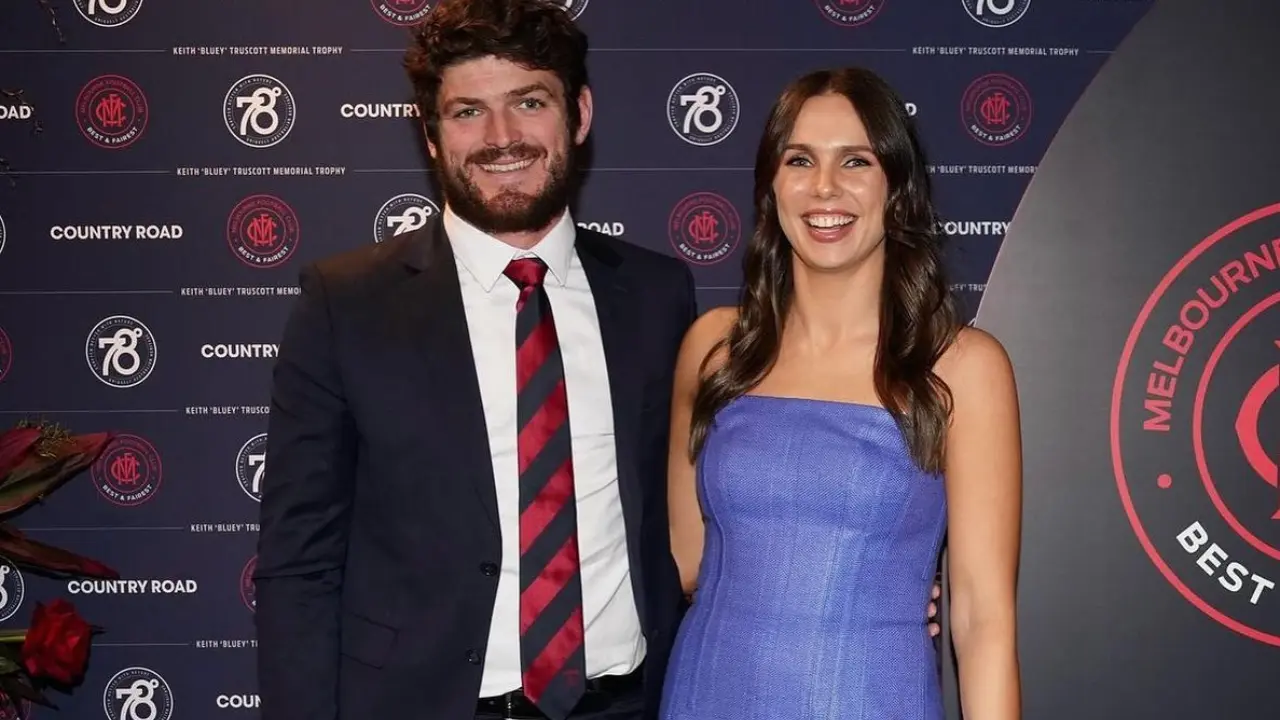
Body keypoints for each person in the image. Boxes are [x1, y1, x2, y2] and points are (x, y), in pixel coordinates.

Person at [253, 0, 943, 717]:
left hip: (629, 703)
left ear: (578, 114)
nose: (502, 137)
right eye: (466, 112)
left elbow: (700, 522)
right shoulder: (347, 304)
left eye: (529, 102)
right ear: (431, 136)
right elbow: (299, 561)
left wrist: (872, 583)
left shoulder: (654, 296)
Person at [662, 67, 1022, 719]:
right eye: (800, 160)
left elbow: (982, 621)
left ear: (896, 187)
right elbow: (684, 566)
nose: (824, 187)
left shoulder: (964, 370)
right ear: (771, 186)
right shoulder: (714, 351)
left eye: (855, 160)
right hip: (706, 695)